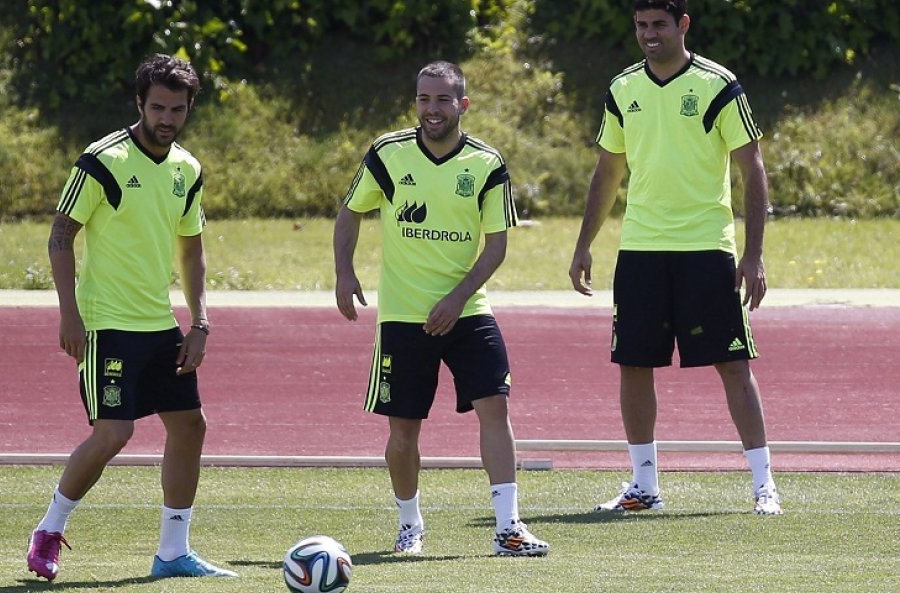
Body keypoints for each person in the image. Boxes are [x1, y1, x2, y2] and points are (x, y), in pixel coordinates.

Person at [25, 54, 237, 581]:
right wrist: (69, 314)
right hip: (106, 325)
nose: (167, 118)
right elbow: (59, 237)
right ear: (139, 103)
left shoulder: (187, 169)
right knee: (114, 432)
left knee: (191, 427)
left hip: (160, 327)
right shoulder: (103, 160)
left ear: (190, 109)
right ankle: (49, 530)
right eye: (158, 107)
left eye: (178, 109)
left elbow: (192, 250)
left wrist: (200, 323)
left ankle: (172, 552)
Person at [568, 0, 782, 515]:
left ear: (683, 25)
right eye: (641, 25)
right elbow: (608, 171)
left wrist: (753, 254)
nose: (649, 34)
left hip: (706, 247)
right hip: (641, 248)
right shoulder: (623, 88)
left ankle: (764, 485)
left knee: (732, 362)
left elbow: (752, 169)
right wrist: (583, 243)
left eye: (659, 25)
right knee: (634, 363)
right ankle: (644, 486)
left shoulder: (717, 84)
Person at [333, 61, 550, 556]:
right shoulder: (387, 154)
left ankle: (508, 527)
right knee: (404, 430)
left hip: (468, 310)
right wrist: (345, 272)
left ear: (462, 105)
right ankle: (410, 525)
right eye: (424, 99)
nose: (432, 109)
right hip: (404, 318)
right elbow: (349, 213)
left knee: (495, 406)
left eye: (443, 100)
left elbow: (496, 245)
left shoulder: (486, 163)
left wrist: (457, 297)